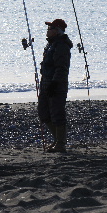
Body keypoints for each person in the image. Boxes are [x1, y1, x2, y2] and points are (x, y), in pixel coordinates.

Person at [38, 19, 73, 153]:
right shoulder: (51, 44)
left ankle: (60, 143)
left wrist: (55, 83)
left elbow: (61, 67)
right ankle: (57, 140)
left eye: (50, 28)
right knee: (43, 112)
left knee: (57, 113)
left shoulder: (61, 46)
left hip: (56, 84)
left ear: (57, 31)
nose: (48, 31)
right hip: (46, 81)